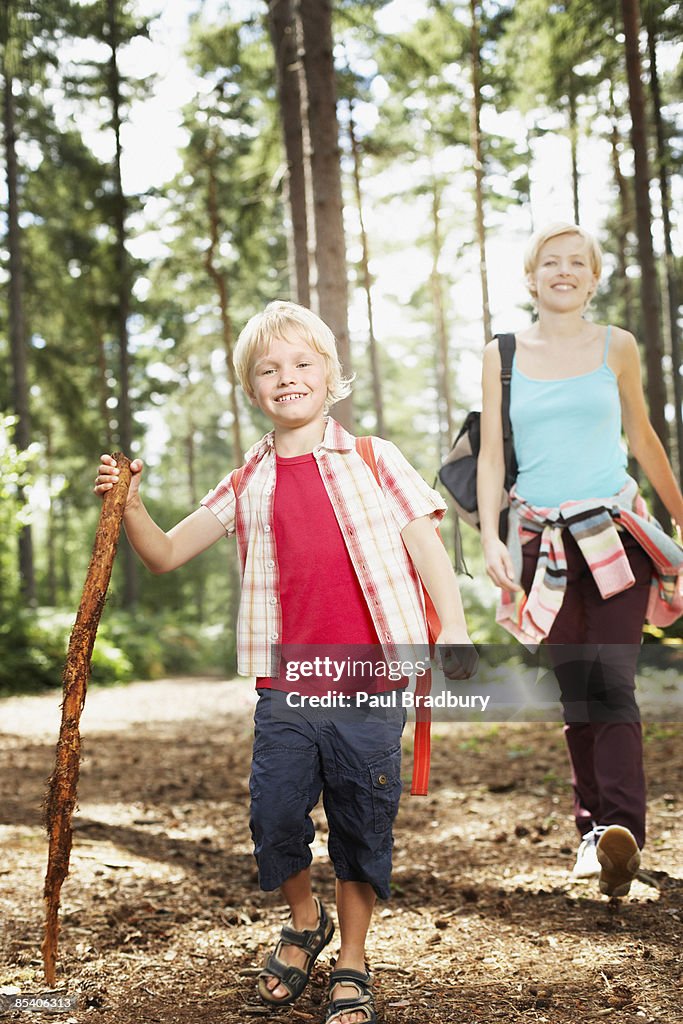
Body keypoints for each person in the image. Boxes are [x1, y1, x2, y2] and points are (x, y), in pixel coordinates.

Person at [95, 300, 474, 1024]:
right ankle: (305, 921)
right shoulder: (247, 478)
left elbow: (426, 543)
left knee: (362, 821)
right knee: (274, 817)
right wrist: (130, 507)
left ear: (330, 374)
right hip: (288, 684)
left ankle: (353, 960)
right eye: (268, 369)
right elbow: (168, 553)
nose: (287, 377)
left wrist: (451, 628)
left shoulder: (370, 456)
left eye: (302, 363)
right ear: (252, 389)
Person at [477, 223, 683, 898]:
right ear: (530, 277)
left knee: (612, 680)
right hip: (542, 544)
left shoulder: (616, 346)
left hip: (616, 534)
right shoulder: (500, 353)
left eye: (576, 263)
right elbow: (489, 458)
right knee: (576, 695)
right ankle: (592, 837)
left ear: (593, 278)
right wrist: (489, 539)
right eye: (549, 262)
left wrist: (680, 514)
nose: (562, 271)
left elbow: (642, 434)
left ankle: (619, 832)